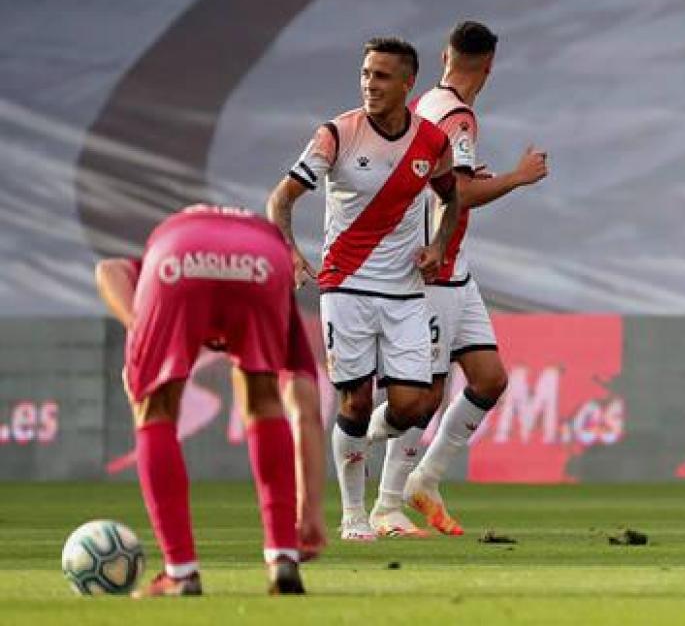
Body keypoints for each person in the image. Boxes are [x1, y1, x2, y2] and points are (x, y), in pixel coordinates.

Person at [266, 37, 461, 541]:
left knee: (416, 404)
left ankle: (365, 439)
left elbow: (451, 200)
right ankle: (354, 515)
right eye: (366, 74)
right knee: (352, 401)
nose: (369, 84)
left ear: (407, 83)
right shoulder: (338, 133)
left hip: (405, 290)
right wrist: (289, 250)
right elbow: (281, 199)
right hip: (346, 287)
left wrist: (438, 243)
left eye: (381, 76)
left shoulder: (431, 143)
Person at [364, 20, 549, 536]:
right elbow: (460, 194)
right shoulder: (459, 119)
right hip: (432, 268)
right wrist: (517, 177)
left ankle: (426, 478)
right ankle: (383, 498)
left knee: (490, 379)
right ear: (489, 66)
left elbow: (440, 180)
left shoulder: (427, 103)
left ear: (446, 55)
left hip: (453, 268)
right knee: (425, 394)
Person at [98, 204, 309, 596]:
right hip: (263, 258)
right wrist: (310, 511)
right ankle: (283, 558)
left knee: (156, 409)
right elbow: (306, 403)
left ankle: (180, 571)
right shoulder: (268, 255)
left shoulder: (149, 259)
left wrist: (140, 329)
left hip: (179, 255)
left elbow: (108, 269)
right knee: (265, 401)